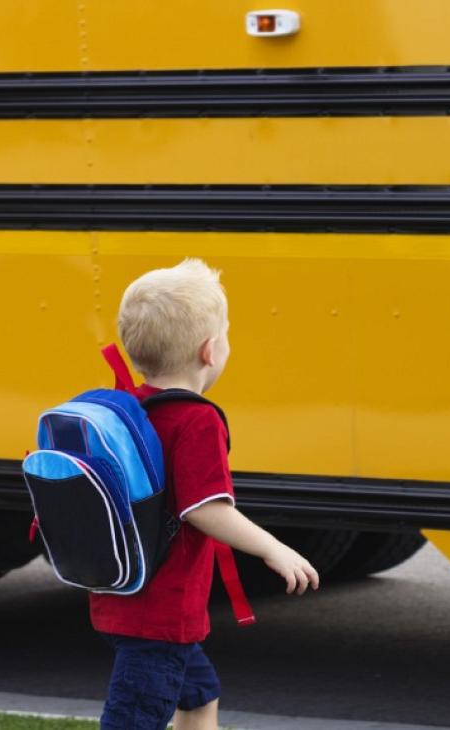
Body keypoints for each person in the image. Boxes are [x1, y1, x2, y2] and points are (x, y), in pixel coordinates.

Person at [91, 258, 319, 730]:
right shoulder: (196, 419)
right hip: (162, 611)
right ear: (210, 350)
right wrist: (273, 548)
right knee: (134, 719)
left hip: (125, 596)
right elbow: (206, 509)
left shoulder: (132, 408)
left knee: (199, 696)